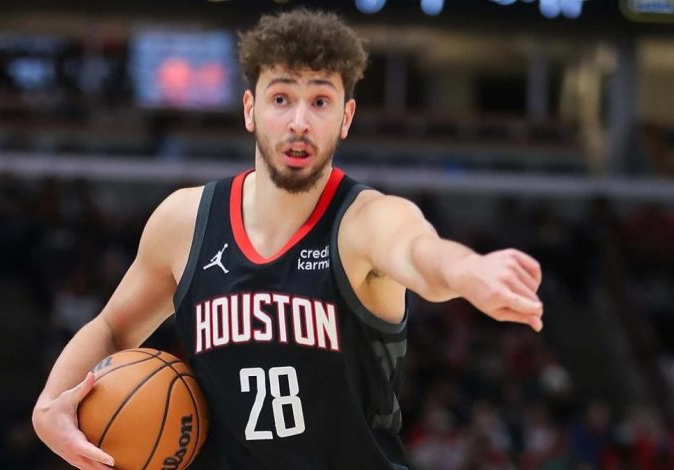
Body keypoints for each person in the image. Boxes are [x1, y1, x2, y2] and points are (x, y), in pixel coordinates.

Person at [32, 9, 543, 470]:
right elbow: (113, 328)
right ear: (250, 109)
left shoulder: (366, 221)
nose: (299, 122)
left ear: (345, 118)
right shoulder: (184, 222)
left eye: (320, 101)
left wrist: (469, 271)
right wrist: (48, 408)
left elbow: (420, 253)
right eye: (281, 99)